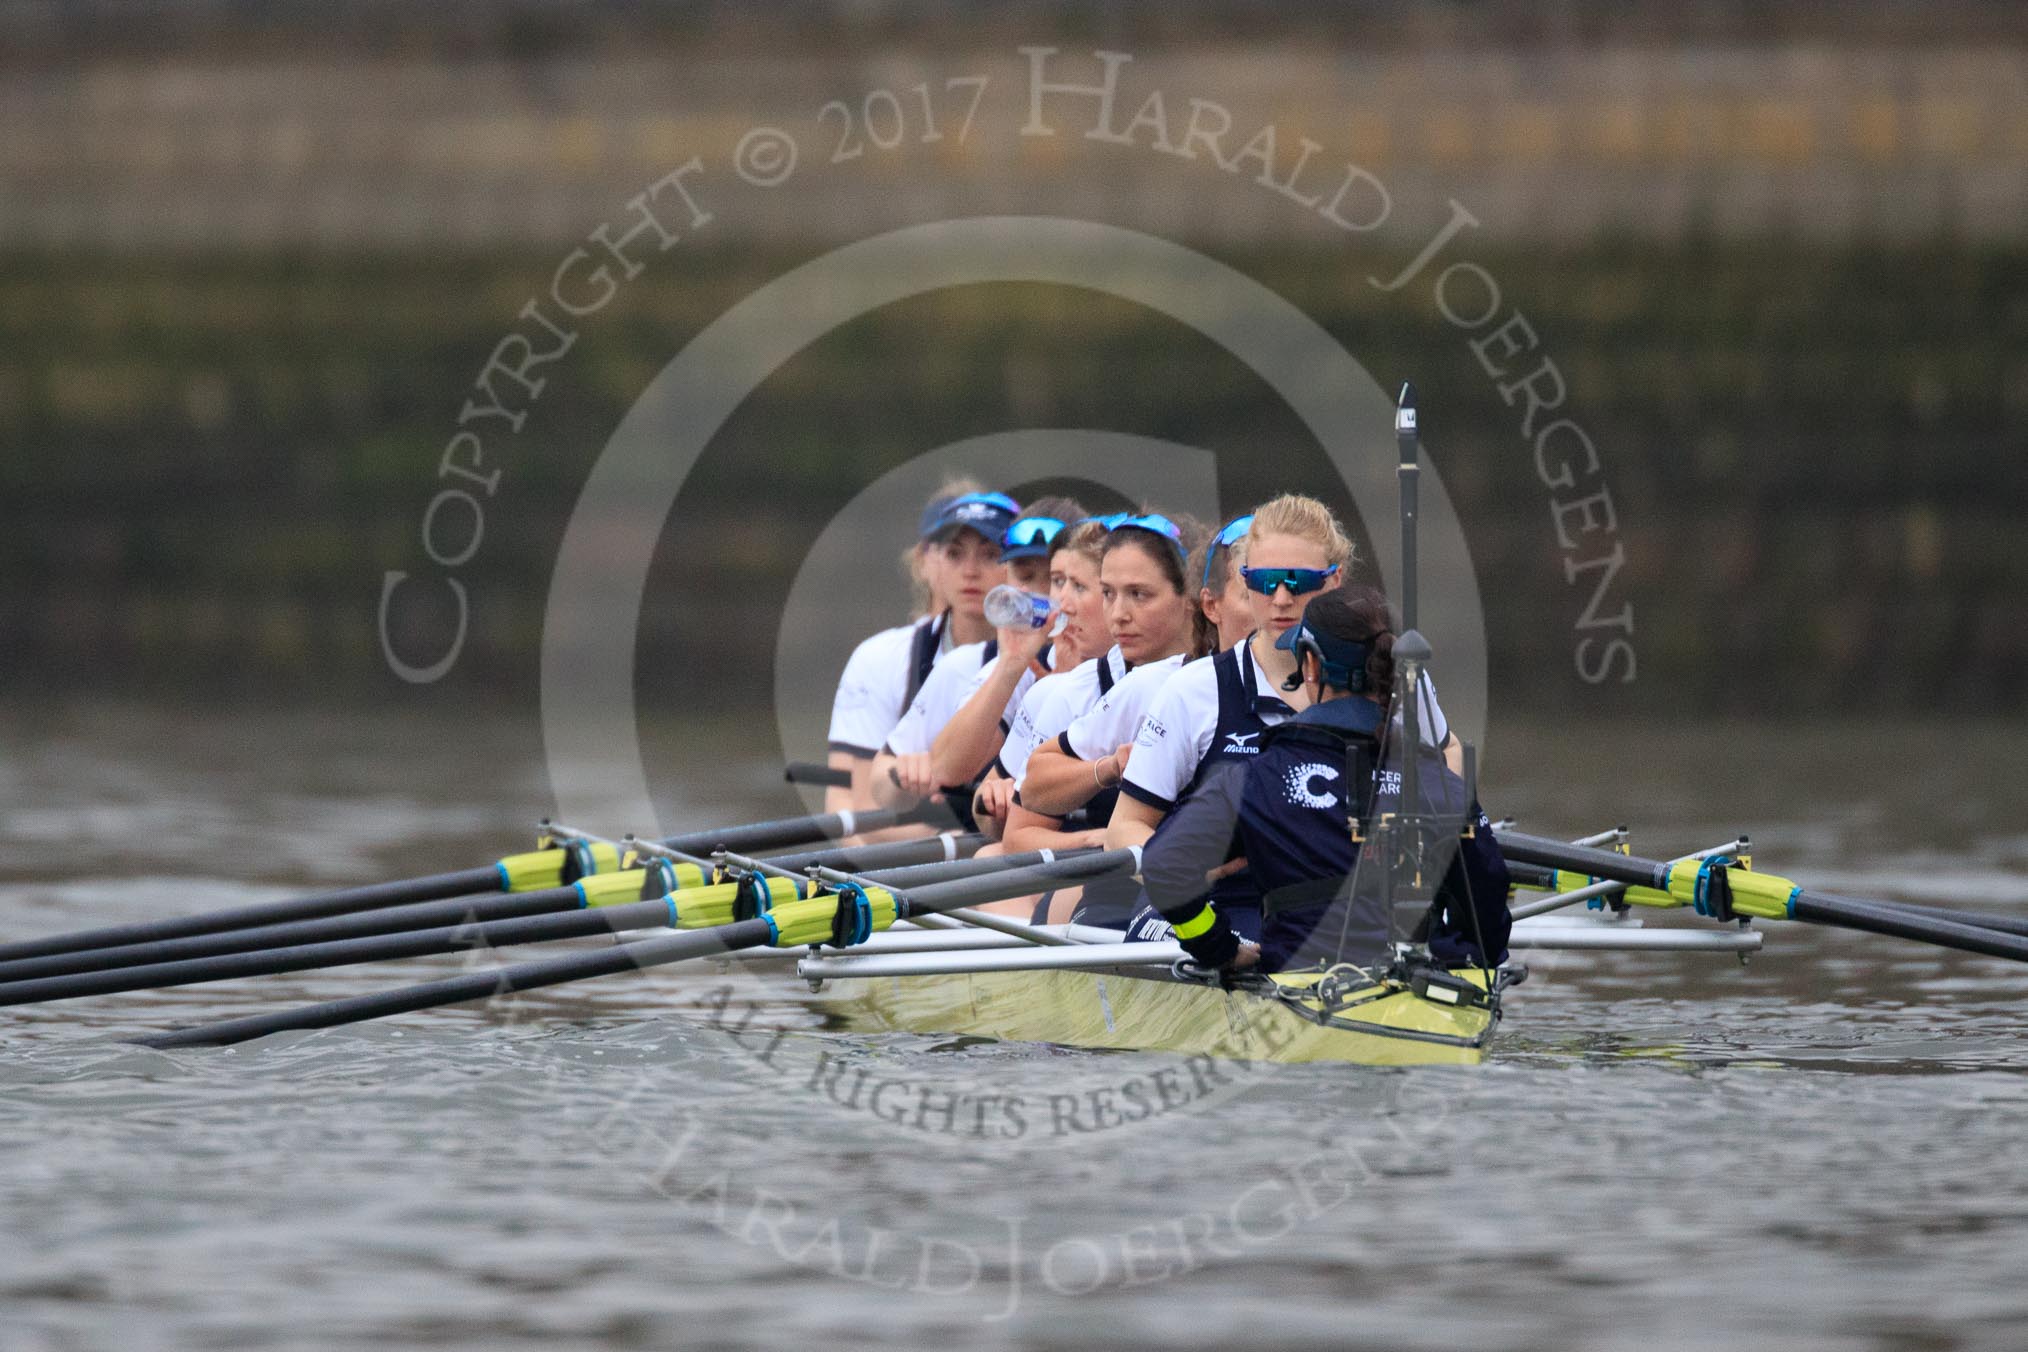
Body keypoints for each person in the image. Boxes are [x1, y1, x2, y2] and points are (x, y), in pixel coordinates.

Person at [1105, 494, 1457, 942]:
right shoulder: (1194, 691)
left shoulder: (1397, 679)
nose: (1282, 598)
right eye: (1264, 581)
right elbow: (1122, 831)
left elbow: (1448, 762)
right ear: (1244, 582)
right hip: (1216, 905)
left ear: (1336, 581)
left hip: (1350, 903)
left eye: (1300, 581)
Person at [1139, 584, 1511, 974]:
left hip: (1298, 987)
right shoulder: (1438, 783)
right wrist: (1461, 958)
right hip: (1423, 999)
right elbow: (1488, 886)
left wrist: (1219, 948)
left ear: (1311, 666)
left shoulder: (1256, 778)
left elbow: (1164, 868)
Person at [999, 512, 1205, 921]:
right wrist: (1107, 785)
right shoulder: (1079, 689)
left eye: (1138, 595)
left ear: (1194, 600)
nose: (1119, 615)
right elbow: (1014, 835)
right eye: (1109, 594)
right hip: (1111, 882)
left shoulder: (1227, 676)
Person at [873, 497, 1085, 821]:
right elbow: (939, 771)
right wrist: (1010, 667)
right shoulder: (970, 666)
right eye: (1026, 578)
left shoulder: (1123, 664)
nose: (1046, 598)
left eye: (1056, 580)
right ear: (1007, 580)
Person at [823, 481, 1008, 814]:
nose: (970, 571)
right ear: (928, 560)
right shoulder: (880, 658)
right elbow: (854, 812)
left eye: (990, 554)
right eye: (955, 553)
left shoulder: (1055, 657)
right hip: (919, 850)